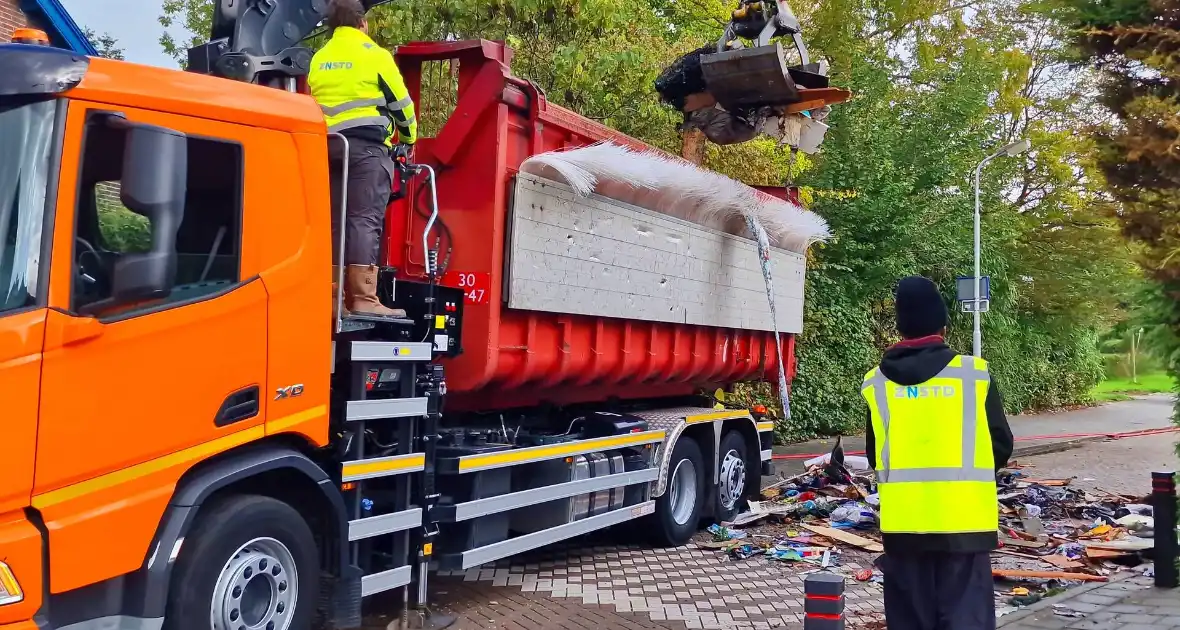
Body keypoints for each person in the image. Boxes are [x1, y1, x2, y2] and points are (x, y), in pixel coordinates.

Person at [862, 275, 1014, 630]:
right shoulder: (972, 375)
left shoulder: (876, 382)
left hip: (903, 527)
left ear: (901, 326)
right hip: (964, 524)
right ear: (942, 325)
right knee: (966, 619)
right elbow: (1000, 444)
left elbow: (875, 454)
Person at [309, 0, 418, 318]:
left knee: (332, 223)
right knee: (363, 221)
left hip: (326, 148)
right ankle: (362, 297)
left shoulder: (320, 59)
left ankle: (331, 298)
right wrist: (408, 140)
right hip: (367, 152)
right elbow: (402, 105)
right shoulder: (375, 55)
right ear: (362, 24)